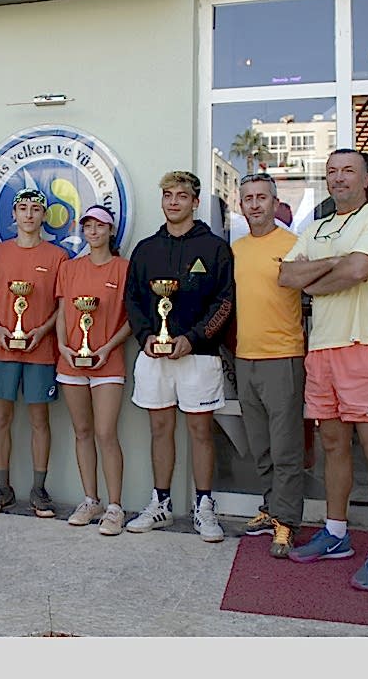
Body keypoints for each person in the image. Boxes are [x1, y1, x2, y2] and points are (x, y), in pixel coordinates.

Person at [278, 148, 368, 591]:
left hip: (363, 344)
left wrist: (317, 278)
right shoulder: (316, 228)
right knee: (332, 445)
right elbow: (287, 277)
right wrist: (334, 264)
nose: (339, 178)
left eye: (348, 170)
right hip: (322, 349)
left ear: (365, 179)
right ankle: (336, 534)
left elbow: (358, 270)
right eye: (332, 172)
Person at [124, 170, 234, 542]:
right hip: (154, 356)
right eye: (168, 195)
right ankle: (161, 503)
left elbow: (225, 303)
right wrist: (145, 337)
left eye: (181, 196)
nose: (173, 202)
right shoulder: (146, 249)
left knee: (200, 431)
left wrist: (194, 337)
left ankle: (204, 506)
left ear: (195, 202)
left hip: (198, 356)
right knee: (160, 430)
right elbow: (132, 300)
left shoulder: (215, 248)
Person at [0, 187, 68, 518]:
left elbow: (63, 306)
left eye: (35, 209)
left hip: (41, 350)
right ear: (13, 214)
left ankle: (38, 490)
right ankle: (3, 488)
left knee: (39, 419)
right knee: (1, 418)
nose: (29, 214)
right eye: (23, 208)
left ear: (44, 215)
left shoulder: (58, 257)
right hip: (2, 348)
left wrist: (42, 332)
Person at [232, 172, 306, 558]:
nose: (255, 204)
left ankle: (287, 521)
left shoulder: (294, 246)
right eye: (249, 198)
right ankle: (271, 507)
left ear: (275, 204)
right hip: (245, 358)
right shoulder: (235, 250)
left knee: (285, 448)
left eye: (262, 197)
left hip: (283, 357)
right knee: (260, 446)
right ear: (240, 205)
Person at [54, 205, 133, 535]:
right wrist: (62, 346)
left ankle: (115, 507)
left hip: (107, 361)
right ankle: (91, 500)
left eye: (100, 226)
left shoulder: (124, 268)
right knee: (82, 431)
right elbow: (62, 312)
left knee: (105, 433)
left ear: (110, 230)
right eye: (88, 226)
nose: (94, 232)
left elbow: (131, 319)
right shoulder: (70, 268)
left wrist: (107, 347)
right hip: (71, 361)